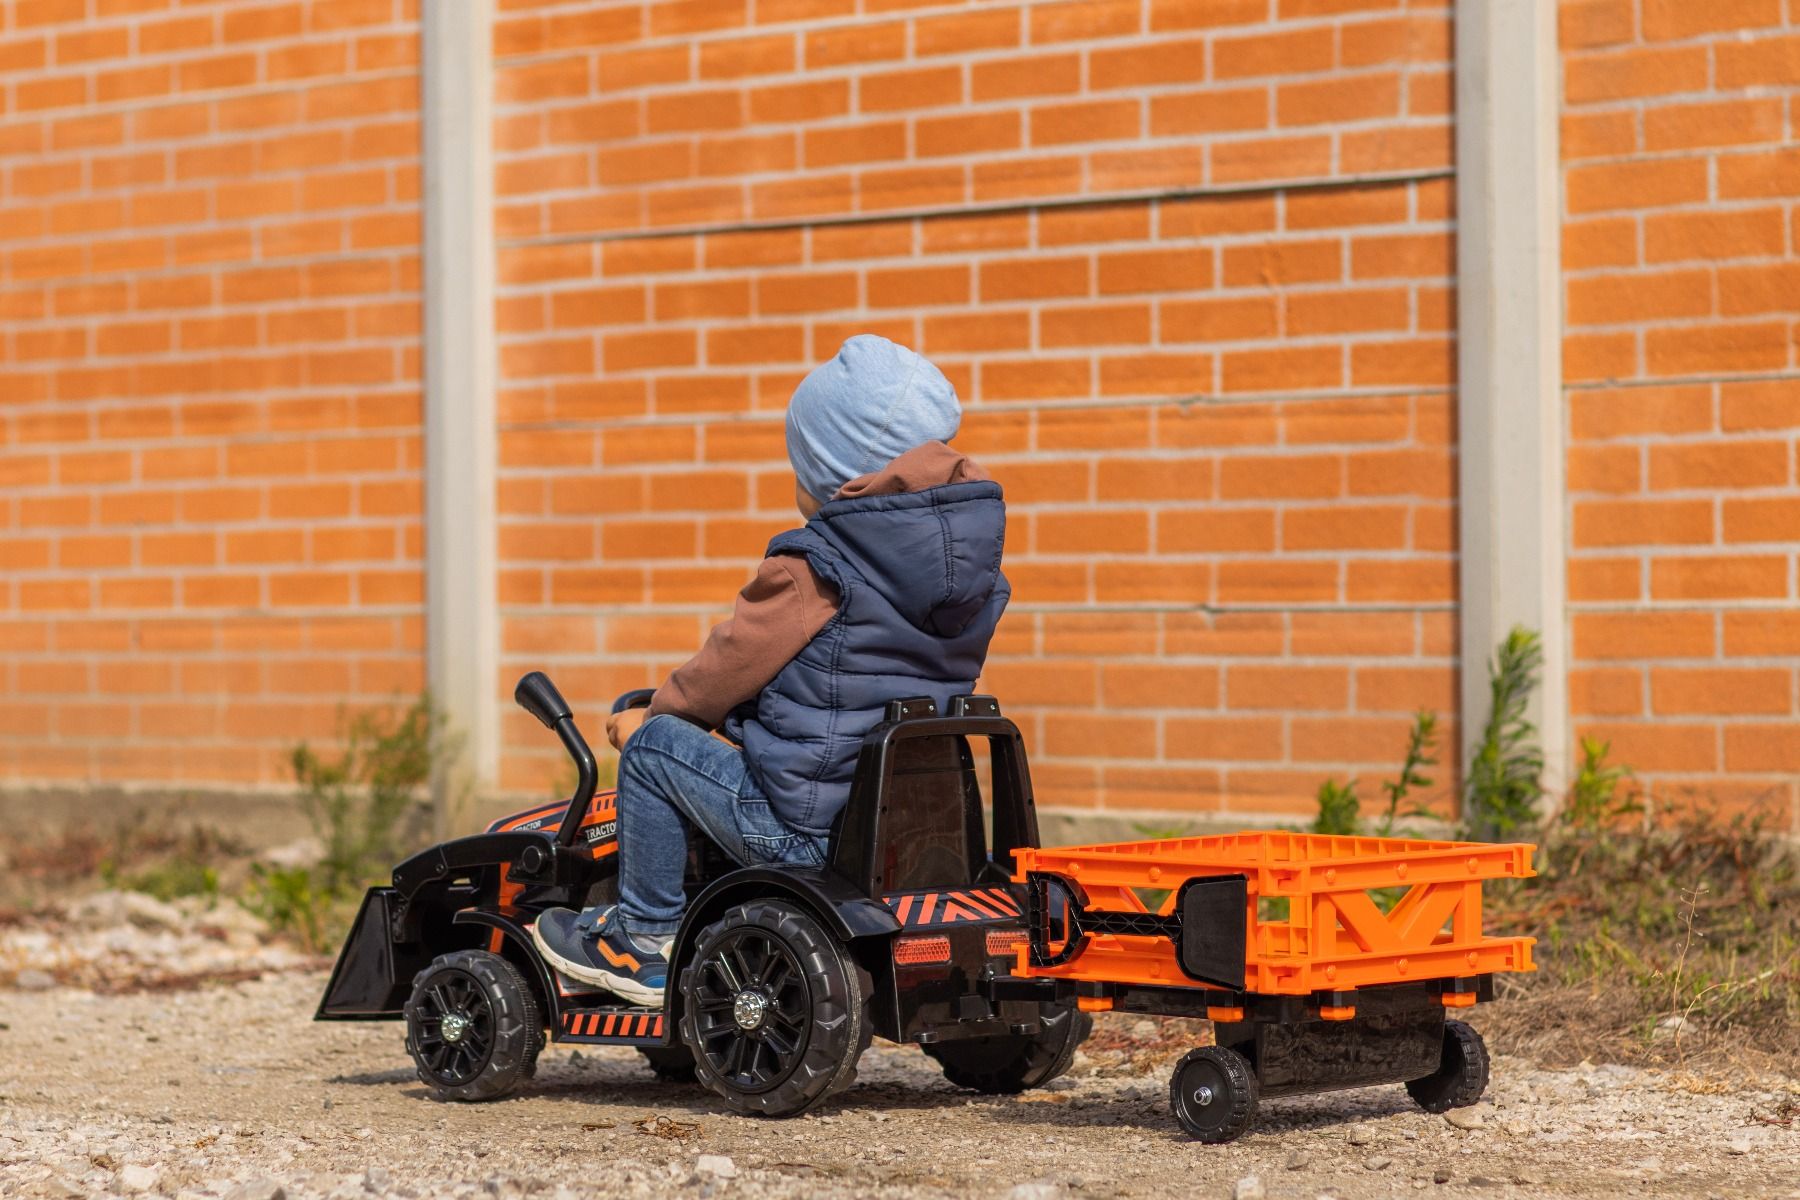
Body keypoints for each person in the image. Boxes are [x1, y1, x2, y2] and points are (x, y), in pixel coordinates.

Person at [531, 335, 1009, 1005]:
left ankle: (643, 940)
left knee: (656, 750)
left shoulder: (815, 568)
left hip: (803, 826)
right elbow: (850, 683)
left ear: (838, 476)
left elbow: (726, 665)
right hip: (903, 828)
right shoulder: (970, 580)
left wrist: (657, 713)